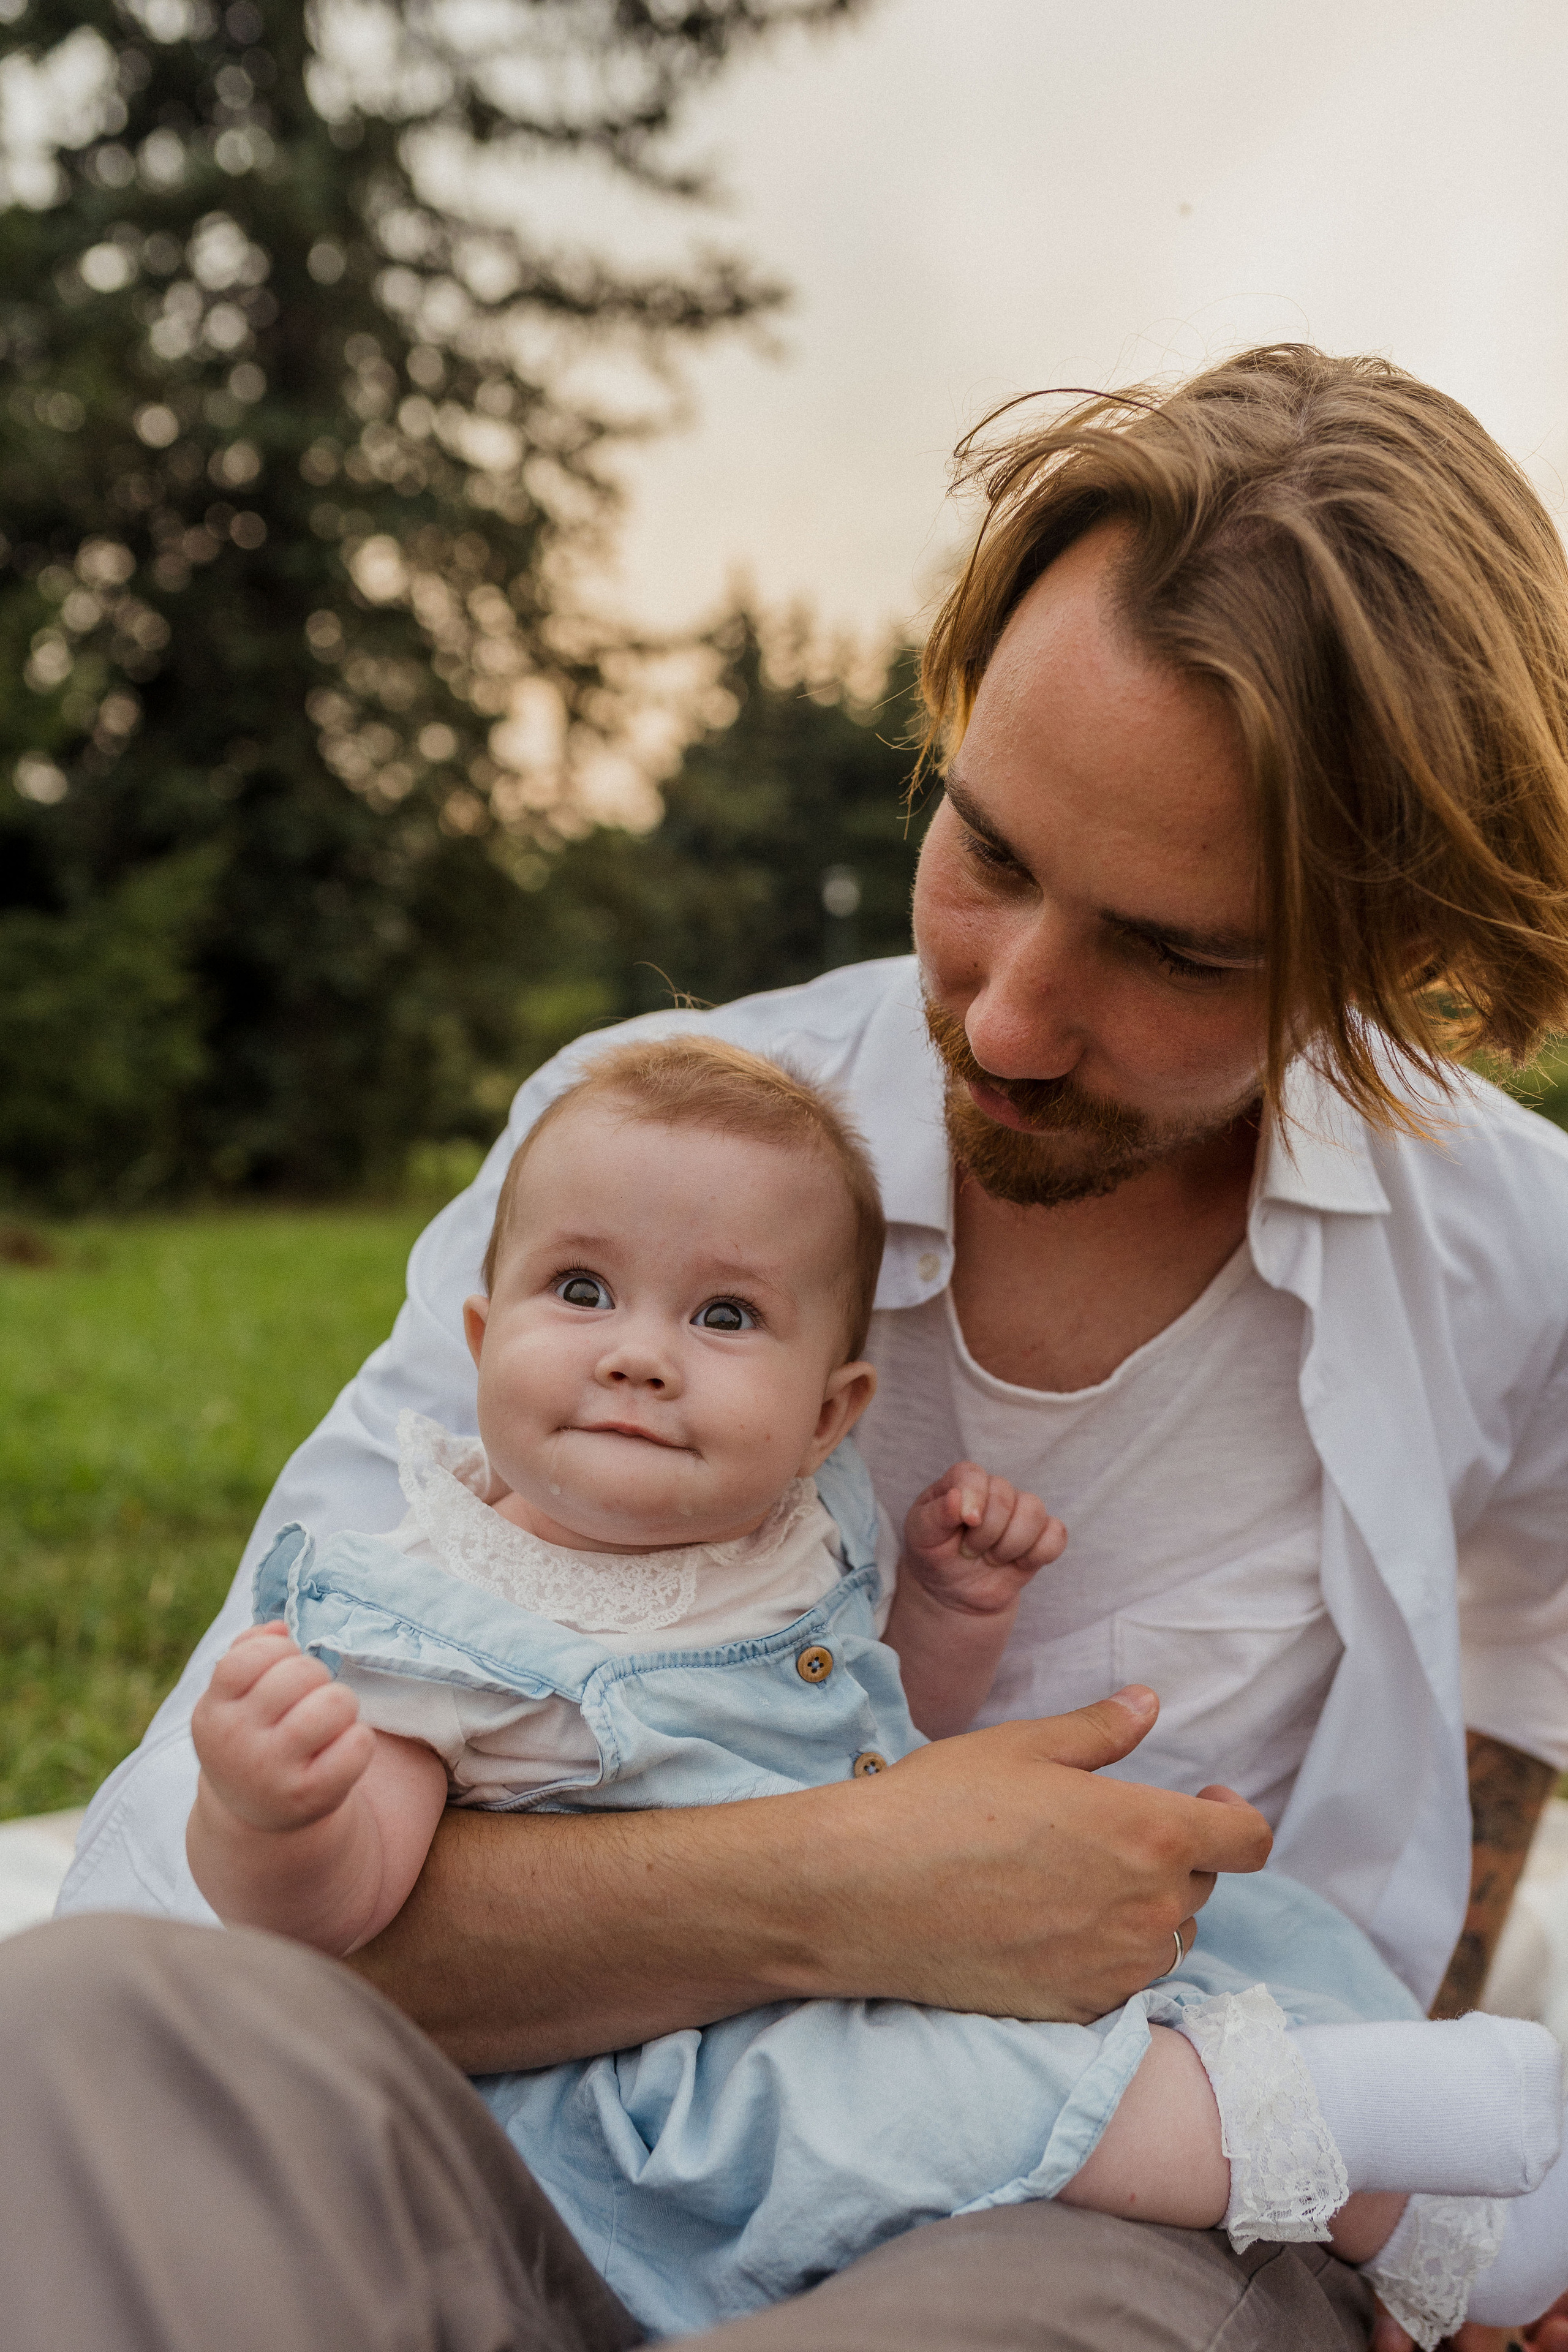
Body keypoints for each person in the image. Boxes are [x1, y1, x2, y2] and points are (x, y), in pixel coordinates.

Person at [38, 344, 1568, 2352]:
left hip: (1091, 2191)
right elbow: (189, 1885)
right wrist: (850, 1881)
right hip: (533, 2134)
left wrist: (1434, 2187)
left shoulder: (1509, 1257)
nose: (1012, 1017)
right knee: (78, 2035)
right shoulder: (651, 1162)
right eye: (990, 853)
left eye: (1178, 949)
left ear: (1397, 959)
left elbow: (1512, 1699)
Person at [181, 1034, 1568, 2349]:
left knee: (1261, 1928)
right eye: (581, 1292)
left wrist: (947, 1615)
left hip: (892, 1975)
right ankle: (1349, 2165)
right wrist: (274, 1808)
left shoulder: (790, 1541)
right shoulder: (429, 1606)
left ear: (829, 1412)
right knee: (926, 2097)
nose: (638, 1352)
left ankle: (1442, 2177)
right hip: (689, 2074)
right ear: (479, 1336)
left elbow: (892, 1737)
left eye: (723, 1315)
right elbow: (345, 1918)